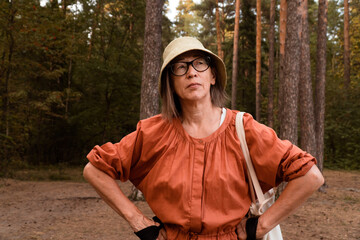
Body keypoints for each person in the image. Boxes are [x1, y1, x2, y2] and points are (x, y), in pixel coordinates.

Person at [83, 37, 324, 240]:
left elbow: (310, 176)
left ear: (213, 77)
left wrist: (261, 225)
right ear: (171, 82)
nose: (191, 73)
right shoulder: (152, 132)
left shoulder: (243, 129)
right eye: (180, 67)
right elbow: (94, 170)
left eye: (199, 64)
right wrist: (137, 220)